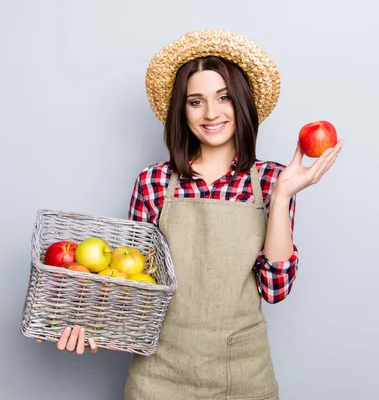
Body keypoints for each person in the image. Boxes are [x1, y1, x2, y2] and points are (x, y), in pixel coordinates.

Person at [40, 29, 344, 399]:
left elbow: (275, 290)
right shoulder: (153, 182)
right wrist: (94, 327)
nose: (211, 113)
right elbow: (135, 284)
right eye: (195, 101)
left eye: (224, 98)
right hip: (159, 378)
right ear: (181, 112)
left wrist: (281, 198)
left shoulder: (271, 181)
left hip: (243, 378)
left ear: (242, 104)